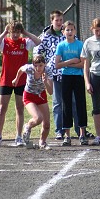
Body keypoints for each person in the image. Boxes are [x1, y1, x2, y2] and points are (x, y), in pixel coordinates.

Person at [34, 10, 84, 140]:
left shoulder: (68, 33)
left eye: (61, 20)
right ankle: (59, 130)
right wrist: (42, 66)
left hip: (71, 72)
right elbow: (37, 52)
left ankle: (79, 129)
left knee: (73, 102)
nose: (59, 22)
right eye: (57, 20)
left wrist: (74, 62)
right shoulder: (45, 36)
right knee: (58, 103)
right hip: (55, 73)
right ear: (52, 21)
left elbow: (78, 50)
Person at [0, 21, 40, 147]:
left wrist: (24, 32)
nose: (15, 35)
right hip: (6, 80)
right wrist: (4, 32)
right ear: (10, 32)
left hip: (21, 80)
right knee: (2, 108)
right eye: (13, 32)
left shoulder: (25, 42)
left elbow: (38, 41)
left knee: (19, 108)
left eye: (17, 32)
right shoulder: (5, 42)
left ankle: (18, 136)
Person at [55, 21, 89, 146]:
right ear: (63, 32)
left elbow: (82, 63)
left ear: (75, 31)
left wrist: (71, 63)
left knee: (81, 104)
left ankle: (82, 134)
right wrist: (70, 61)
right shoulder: (61, 46)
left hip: (78, 77)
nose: (69, 32)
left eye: (71, 30)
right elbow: (57, 64)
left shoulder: (80, 44)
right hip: (66, 77)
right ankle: (67, 135)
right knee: (66, 105)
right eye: (67, 30)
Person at [15, 54, 54, 150]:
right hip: (29, 95)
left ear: (44, 65)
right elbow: (20, 69)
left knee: (47, 124)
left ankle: (42, 142)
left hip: (41, 95)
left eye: (40, 65)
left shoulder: (48, 71)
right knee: (38, 118)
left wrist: (45, 82)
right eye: (36, 65)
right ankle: (28, 126)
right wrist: (16, 79)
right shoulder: (29, 68)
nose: (38, 68)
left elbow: (50, 91)